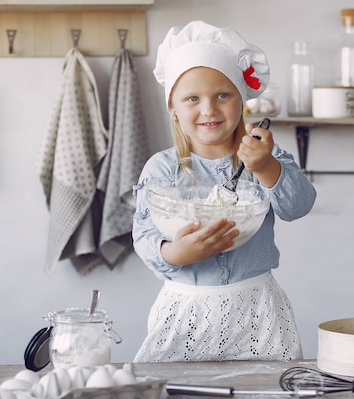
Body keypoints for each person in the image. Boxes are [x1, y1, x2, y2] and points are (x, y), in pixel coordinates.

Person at [132, 20, 317, 362]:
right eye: (192, 98)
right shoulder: (162, 169)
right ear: (172, 106)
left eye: (222, 95)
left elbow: (299, 205)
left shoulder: (265, 154)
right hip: (186, 309)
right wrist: (176, 253)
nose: (209, 109)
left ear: (242, 99)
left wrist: (265, 168)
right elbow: (143, 237)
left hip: (258, 309)